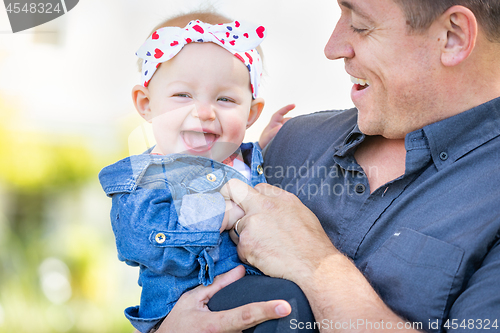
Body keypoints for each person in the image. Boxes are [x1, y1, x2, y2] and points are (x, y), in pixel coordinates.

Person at [155, 0, 500, 332]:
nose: (333, 47)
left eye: (361, 25)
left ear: (453, 36)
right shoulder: (293, 140)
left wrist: (316, 265)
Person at [99, 11, 314, 333]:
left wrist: (266, 149)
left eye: (225, 99)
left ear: (251, 113)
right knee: (286, 300)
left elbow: (246, 175)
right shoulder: (142, 179)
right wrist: (223, 214)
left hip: (245, 291)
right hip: (188, 305)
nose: (203, 112)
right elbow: (146, 243)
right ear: (146, 103)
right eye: (183, 95)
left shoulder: (240, 162)